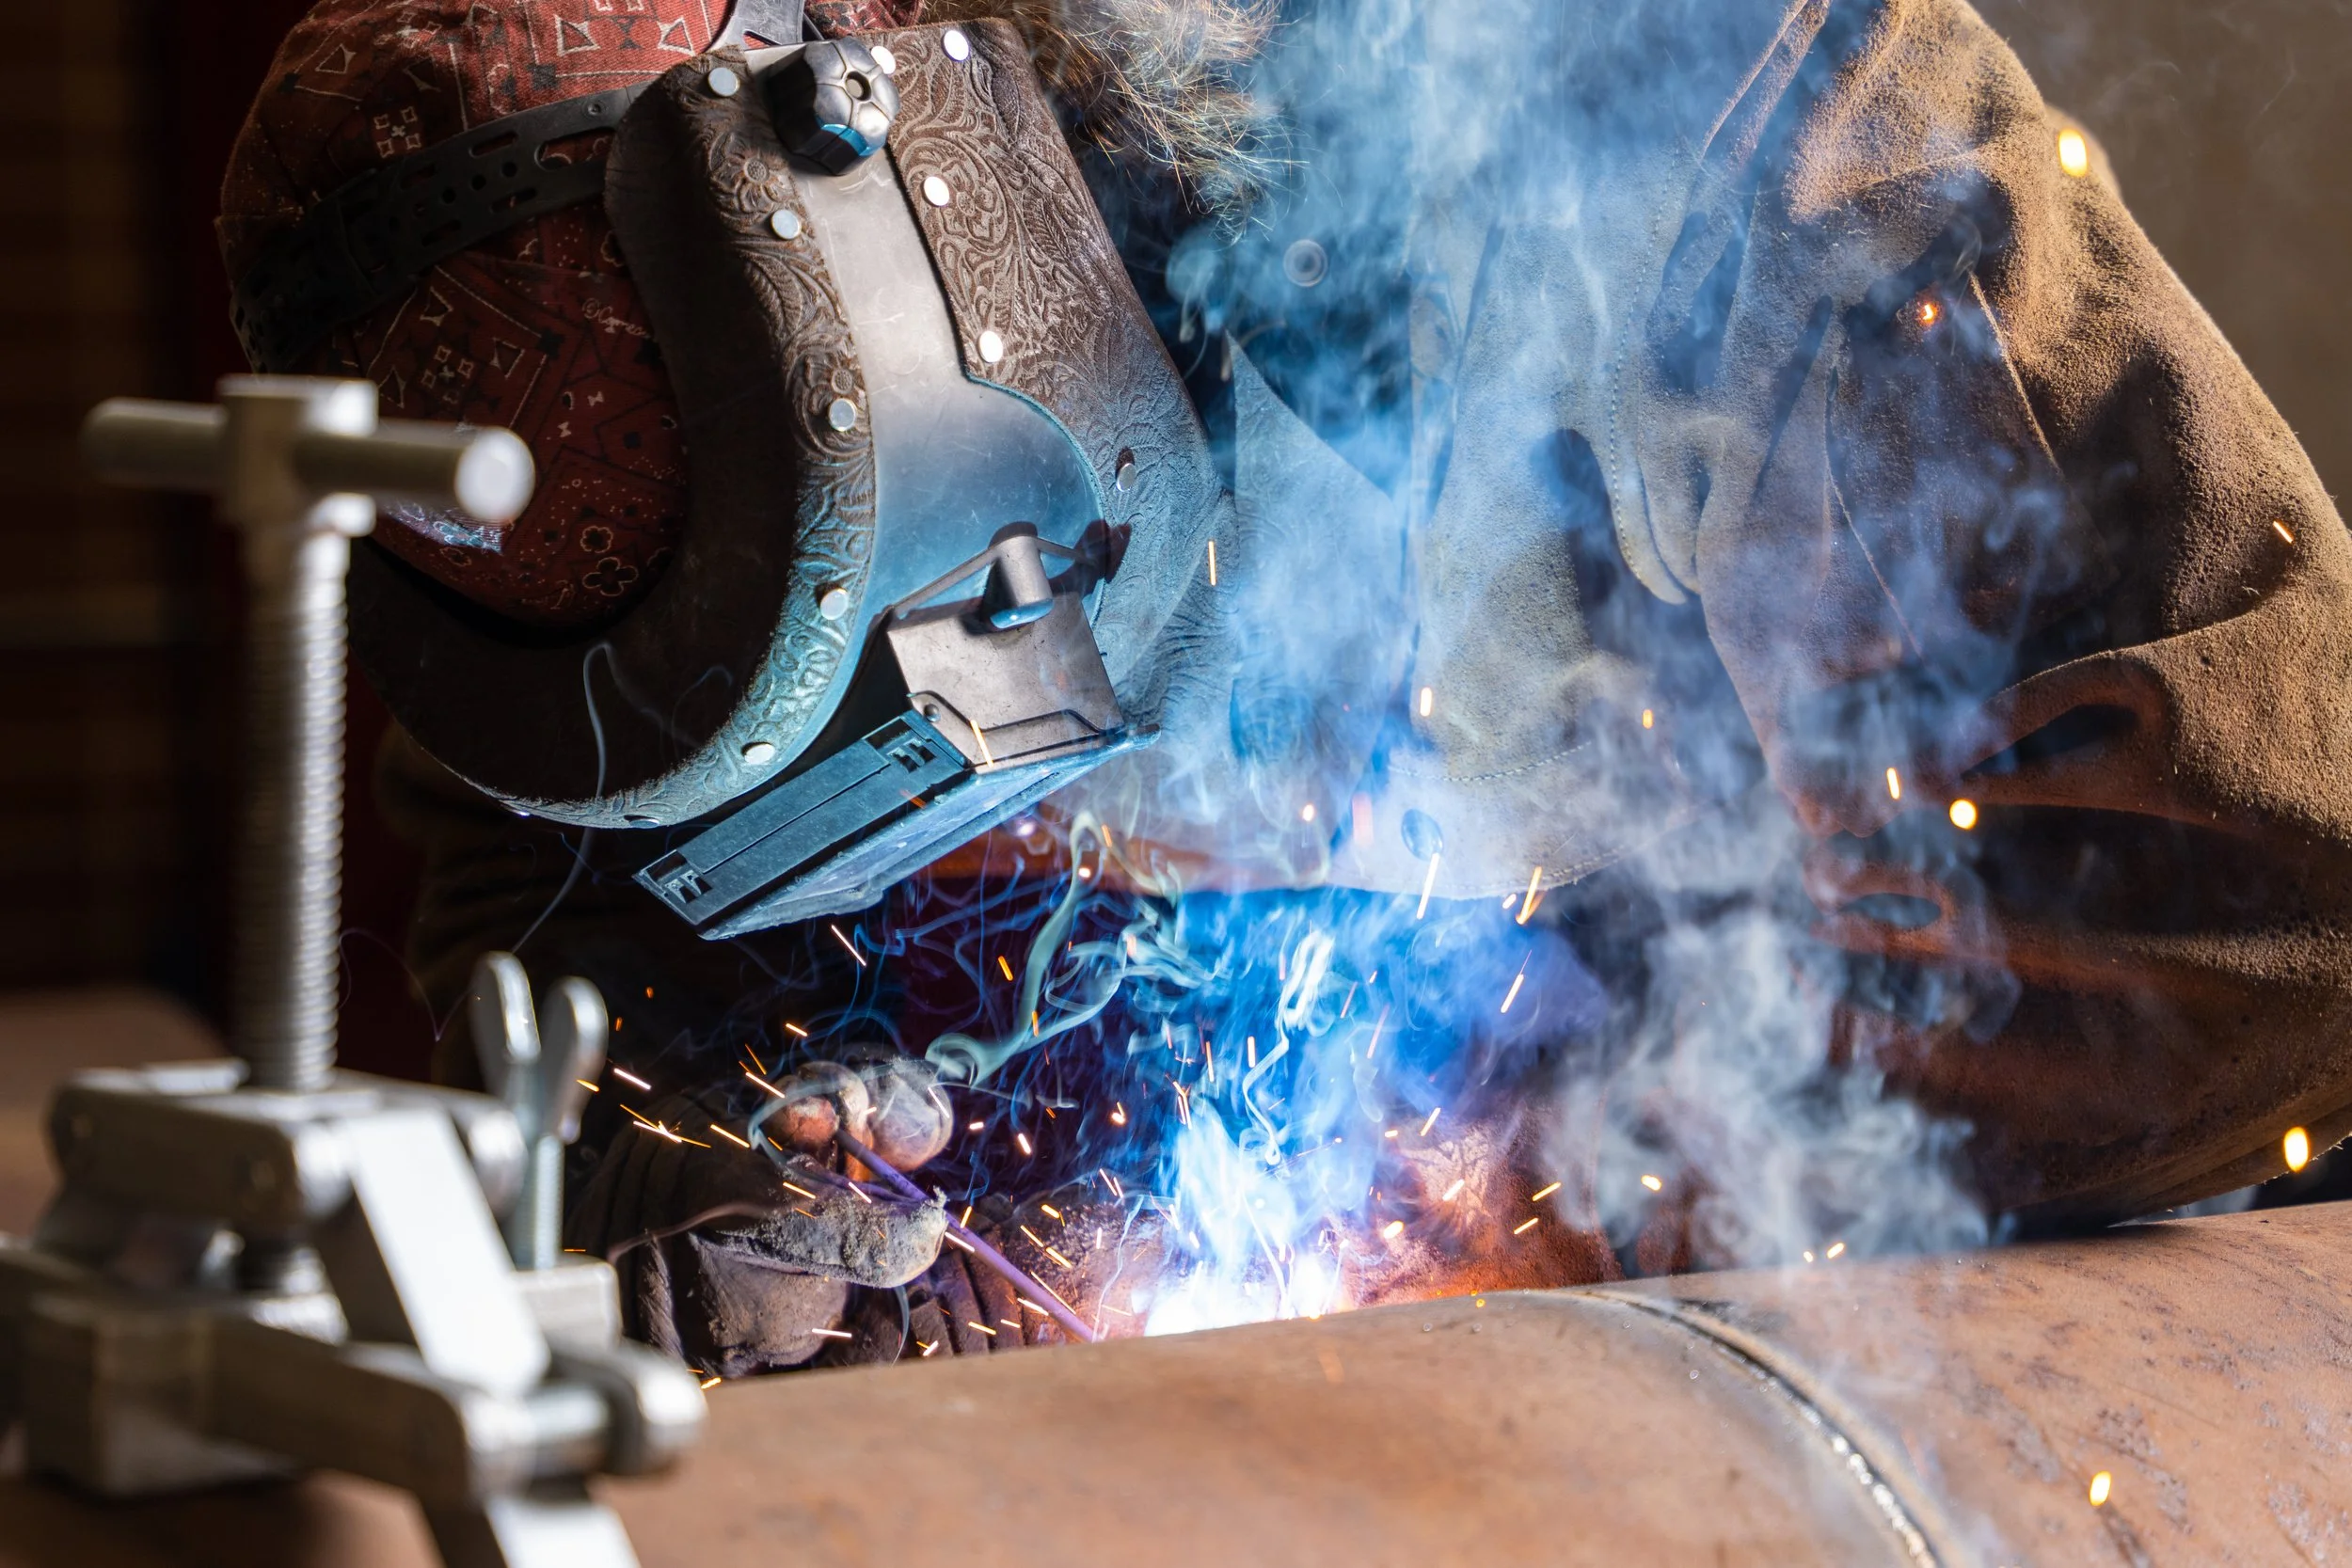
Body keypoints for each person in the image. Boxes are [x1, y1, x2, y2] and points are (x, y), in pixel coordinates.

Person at [221, 0, 2352, 1372]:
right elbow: (561, 970)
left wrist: (1440, 1136)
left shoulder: (1682, 85)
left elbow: (2249, 889)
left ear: (921, 186)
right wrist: (722, 1193)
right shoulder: (540, 314)